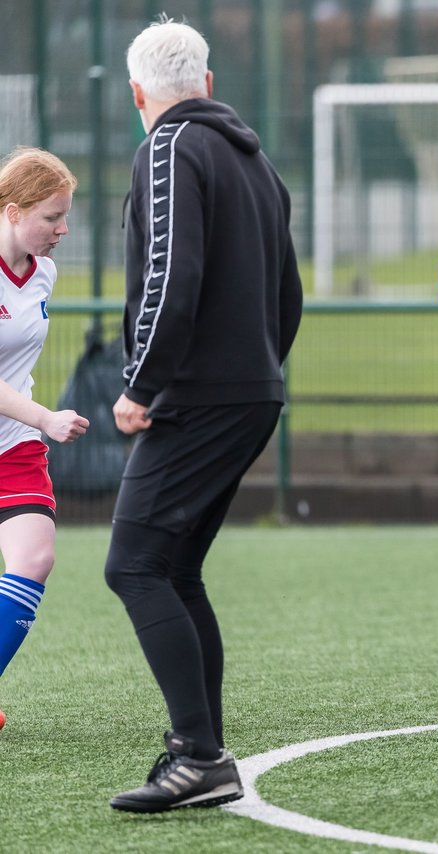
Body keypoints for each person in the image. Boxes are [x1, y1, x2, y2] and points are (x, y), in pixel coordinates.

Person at [104, 20, 302, 812]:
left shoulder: (170, 147)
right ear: (208, 83)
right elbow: (287, 293)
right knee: (176, 570)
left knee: (132, 566)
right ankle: (204, 750)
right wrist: (260, 366)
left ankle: (197, 754)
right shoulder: (258, 162)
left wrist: (141, 385)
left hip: (199, 395)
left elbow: (170, 270)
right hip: (250, 389)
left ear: (135, 93)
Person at [0, 148, 90, 727]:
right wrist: (45, 418)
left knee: (35, 557)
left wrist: (30, 422)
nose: (62, 230)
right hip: (31, 424)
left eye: (65, 217)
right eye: (51, 218)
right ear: (12, 211)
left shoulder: (44, 273)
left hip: (12, 445)